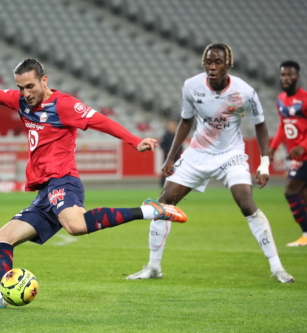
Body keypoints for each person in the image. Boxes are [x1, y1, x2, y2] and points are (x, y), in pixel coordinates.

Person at [0, 58, 188, 308]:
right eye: (20, 87)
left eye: (30, 86)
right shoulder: (21, 101)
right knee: (2, 239)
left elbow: (100, 120)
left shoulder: (64, 105)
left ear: (44, 80)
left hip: (64, 180)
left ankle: (149, 211)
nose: (25, 93)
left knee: (75, 226)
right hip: (45, 192)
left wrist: (134, 140)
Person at [126, 44, 294, 283]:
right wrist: (171, 156)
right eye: (208, 62)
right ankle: (153, 267)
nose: (212, 67)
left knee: (246, 203)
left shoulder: (245, 92)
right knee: (162, 205)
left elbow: (260, 126)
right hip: (197, 154)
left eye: (218, 62)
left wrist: (265, 163)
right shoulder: (191, 86)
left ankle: (277, 267)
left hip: (230, 155)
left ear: (229, 64)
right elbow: (186, 121)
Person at [269, 60, 307, 247]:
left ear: (298, 76)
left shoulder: (305, 100)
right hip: (298, 156)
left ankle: (306, 233)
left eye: (290, 74)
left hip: (305, 155)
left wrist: (304, 146)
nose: (286, 78)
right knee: (303, 192)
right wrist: (273, 147)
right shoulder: (280, 100)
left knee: (290, 191)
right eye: (283, 74)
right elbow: (283, 127)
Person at [159, 119, 182, 187]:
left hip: (175, 157)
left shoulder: (176, 135)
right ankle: (163, 184)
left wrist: (177, 152)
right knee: (166, 170)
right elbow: (162, 145)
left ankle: (173, 184)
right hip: (167, 156)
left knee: (174, 171)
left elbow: (180, 146)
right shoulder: (165, 135)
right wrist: (169, 151)